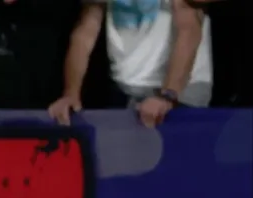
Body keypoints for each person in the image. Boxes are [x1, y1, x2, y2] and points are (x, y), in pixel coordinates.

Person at [48, 0, 213, 129]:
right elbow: (86, 30)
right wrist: (71, 93)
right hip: (125, 89)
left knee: (178, 160)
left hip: (181, 91)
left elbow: (189, 29)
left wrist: (168, 95)